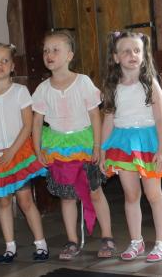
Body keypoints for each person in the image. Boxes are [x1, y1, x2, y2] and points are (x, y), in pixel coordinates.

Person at [32, 31, 114, 260]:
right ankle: (72, 240)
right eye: (46, 51)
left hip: (84, 144)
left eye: (55, 50)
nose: (49, 54)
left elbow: (95, 115)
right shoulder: (43, 89)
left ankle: (107, 236)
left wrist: (97, 145)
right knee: (67, 196)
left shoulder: (83, 82)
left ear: (69, 55)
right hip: (58, 148)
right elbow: (37, 121)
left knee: (95, 191)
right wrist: (38, 149)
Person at [100, 30, 162, 262]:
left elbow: (160, 119)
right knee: (131, 194)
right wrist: (103, 150)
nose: (132, 55)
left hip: (147, 143)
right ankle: (136, 241)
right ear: (116, 57)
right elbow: (108, 119)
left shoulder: (150, 84)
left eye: (137, 50)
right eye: (126, 51)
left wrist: (161, 150)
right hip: (123, 144)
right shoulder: (112, 87)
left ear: (143, 55)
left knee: (153, 194)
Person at [0, 42, 46, 263]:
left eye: (5, 60)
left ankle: (40, 244)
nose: (0, 65)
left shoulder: (20, 92)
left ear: (13, 66)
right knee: (3, 202)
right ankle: (10, 247)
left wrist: (13, 151)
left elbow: (27, 125)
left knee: (25, 200)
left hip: (18, 154)